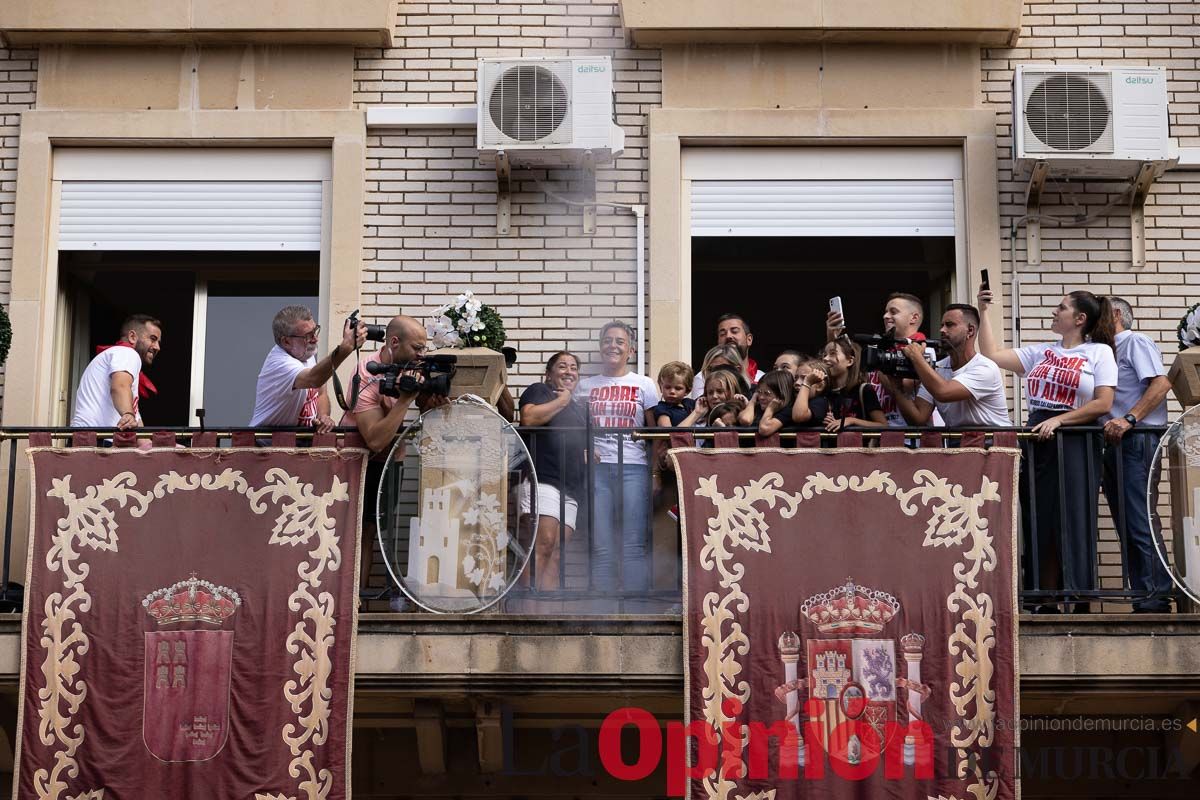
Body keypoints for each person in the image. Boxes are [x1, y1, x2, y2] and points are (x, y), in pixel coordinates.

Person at [978, 288, 1117, 611]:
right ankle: (1045, 596)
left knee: (1073, 515)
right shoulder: (1041, 351)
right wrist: (984, 311)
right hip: (1039, 438)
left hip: (1077, 439)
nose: (1054, 312)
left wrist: (1061, 420)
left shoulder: (1098, 352)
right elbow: (992, 355)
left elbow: (1103, 402)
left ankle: (1079, 597)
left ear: (1080, 319)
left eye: (1062, 308)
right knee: (1041, 515)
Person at [340, 314, 449, 600]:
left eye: (424, 349)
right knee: (357, 533)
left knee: (376, 531)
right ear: (394, 342)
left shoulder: (414, 366)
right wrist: (404, 400)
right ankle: (355, 605)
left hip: (392, 461)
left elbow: (425, 414)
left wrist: (432, 402)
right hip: (358, 460)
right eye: (417, 348)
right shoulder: (366, 372)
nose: (421, 355)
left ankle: (365, 599)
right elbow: (374, 439)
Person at [1099, 297, 1173, 612]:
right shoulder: (1105, 351)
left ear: (1116, 315)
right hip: (1114, 443)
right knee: (1126, 521)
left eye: (1098, 312)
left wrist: (1129, 419)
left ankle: (1155, 596)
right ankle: (1144, 594)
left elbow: (1161, 383)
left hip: (1136, 441)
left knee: (1139, 518)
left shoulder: (1134, 342)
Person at [576, 321, 659, 597]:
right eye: (608, 340)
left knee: (633, 541)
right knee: (601, 542)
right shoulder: (585, 386)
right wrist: (583, 448)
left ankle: (634, 608)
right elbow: (575, 428)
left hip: (634, 467)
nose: (613, 345)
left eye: (620, 341)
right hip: (598, 469)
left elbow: (654, 432)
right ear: (601, 347)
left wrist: (656, 471)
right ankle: (603, 609)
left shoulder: (643, 384)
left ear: (631, 350)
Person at [518, 351, 588, 592]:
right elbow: (528, 418)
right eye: (562, 366)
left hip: (572, 487)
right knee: (543, 544)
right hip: (543, 478)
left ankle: (545, 614)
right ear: (549, 374)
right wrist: (563, 400)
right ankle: (527, 610)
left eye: (574, 367)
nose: (569, 371)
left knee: (558, 553)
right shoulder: (540, 391)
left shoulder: (580, 408)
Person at [880, 304, 1011, 428]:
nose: (942, 330)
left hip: (994, 445)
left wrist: (916, 357)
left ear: (970, 330)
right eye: (942, 325)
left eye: (949, 325)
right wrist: (897, 387)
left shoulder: (985, 368)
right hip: (960, 445)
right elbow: (918, 418)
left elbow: (943, 392)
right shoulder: (937, 368)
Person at [250, 306, 366, 433]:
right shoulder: (280, 363)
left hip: (294, 443)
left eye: (315, 331)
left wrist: (323, 416)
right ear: (286, 342)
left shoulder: (303, 353)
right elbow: (314, 379)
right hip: (263, 446)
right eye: (307, 336)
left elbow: (321, 393)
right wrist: (346, 347)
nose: (315, 339)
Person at [828, 293, 932, 427]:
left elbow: (904, 385)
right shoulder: (881, 349)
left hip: (908, 439)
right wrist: (832, 338)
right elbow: (848, 373)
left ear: (914, 318)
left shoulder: (925, 350)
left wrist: (882, 361)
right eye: (886, 312)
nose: (886, 316)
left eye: (893, 312)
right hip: (877, 435)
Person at [72, 314, 162, 429]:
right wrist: (128, 415)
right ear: (132, 337)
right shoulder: (127, 353)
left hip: (89, 438)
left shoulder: (119, 357)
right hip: (93, 439)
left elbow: (136, 424)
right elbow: (120, 386)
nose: (157, 347)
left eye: (158, 342)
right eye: (153, 339)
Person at [791, 338, 888, 432]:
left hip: (858, 447)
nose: (825, 358)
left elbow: (883, 425)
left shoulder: (863, 389)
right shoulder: (825, 391)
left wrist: (850, 420)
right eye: (824, 355)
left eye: (832, 353)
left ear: (849, 361)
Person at [737, 369, 796, 437]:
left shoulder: (788, 411)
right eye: (759, 392)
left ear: (781, 394)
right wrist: (753, 401)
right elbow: (745, 420)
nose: (761, 397)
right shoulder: (758, 406)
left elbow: (764, 429)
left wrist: (770, 409)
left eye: (767, 393)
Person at [653, 361, 697, 427]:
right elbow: (668, 434)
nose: (672, 391)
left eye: (678, 388)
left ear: (687, 391)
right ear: (660, 387)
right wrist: (697, 413)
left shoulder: (689, 404)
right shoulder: (662, 409)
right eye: (667, 387)